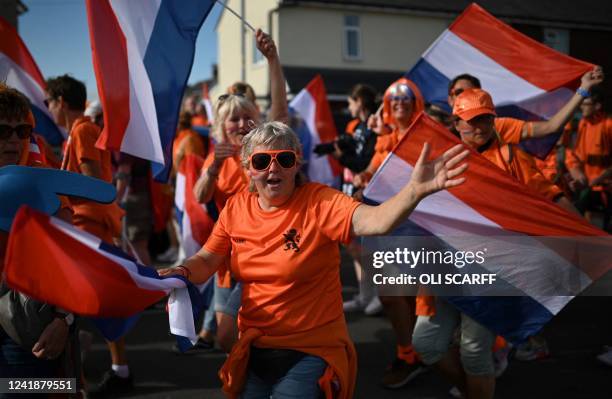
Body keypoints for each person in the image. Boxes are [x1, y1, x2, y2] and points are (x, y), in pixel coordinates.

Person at [160, 121, 469, 398]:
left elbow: (375, 221)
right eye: (262, 161)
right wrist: (182, 271)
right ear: (248, 168)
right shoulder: (236, 208)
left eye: (284, 159)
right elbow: (208, 258)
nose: (273, 168)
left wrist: (414, 192)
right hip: (254, 349)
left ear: (297, 163)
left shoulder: (320, 202)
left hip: (311, 350)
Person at [413, 88, 579, 399]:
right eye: (470, 121)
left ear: (493, 120)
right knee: (427, 345)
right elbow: (412, 201)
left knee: (475, 353)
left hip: (491, 271)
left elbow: (550, 195)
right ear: (456, 122)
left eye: (485, 120)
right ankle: (471, 391)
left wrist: (582, 229)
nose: (478, 127)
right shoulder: (440, 158)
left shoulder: (511, 157)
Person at [191, 29, 288, 354]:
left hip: (261, 252)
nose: (242, 123)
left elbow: (280, 111)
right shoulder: (215, 155)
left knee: (236, 331)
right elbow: (201, 196)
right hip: (225, 256)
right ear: (221, 126)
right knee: (225, 336)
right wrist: (214, 168)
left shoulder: (262, 149)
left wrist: (272, 60)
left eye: (248, 117)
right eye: (234, 119)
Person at [46, 74, 129, 395]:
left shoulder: (82, 131)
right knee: (90, 304)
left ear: (61, 102)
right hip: (90, 224)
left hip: (88, 226)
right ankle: (107, 370)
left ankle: (90, 377)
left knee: (87, 303)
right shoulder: (84, 131)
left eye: (48, 102)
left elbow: (93, 185)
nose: (48, 109)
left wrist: (59, 185)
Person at [0, 84, 77, 392]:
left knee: (27, 391)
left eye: (22, 131)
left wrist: (63, 320)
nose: (14, 140)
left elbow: (69, 259)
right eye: (3, 131)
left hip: (27, 326)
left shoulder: (46, 184)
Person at [353, 78, 429, 389]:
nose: (399, 102)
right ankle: (411, 352)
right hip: (389, 224)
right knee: (392, 296)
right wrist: (363, 178)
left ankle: (415, 354)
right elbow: (373, 170)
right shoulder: (386, 140)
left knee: (407, 296)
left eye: (405, 97)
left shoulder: (427, 136)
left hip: (418, 226)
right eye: (393, 98)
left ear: (416, 103)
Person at [447, 68, 604, 144]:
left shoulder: (500, 127)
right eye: (460, 92)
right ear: (450, 99)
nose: (481, 127)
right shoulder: (437, 136)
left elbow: (551, 126)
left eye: (485, 119)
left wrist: (583, 89)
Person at [573, 88, 612, 228]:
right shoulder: (583, 123)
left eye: (586, 103)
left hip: (606, 188)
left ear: (597, 106)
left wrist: (600, 178)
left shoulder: (608, 124)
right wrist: (577, 175)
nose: (582, 106)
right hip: (588, 186)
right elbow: (576, 156)